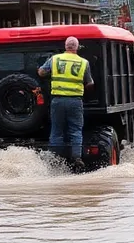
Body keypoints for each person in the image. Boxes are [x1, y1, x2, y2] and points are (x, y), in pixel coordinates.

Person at [38, 36, 95, 168]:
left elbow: (41, 72)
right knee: (75, 130)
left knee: (56, 130)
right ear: (77, 47)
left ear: (65, 46)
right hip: (75, 101)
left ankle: (55, 159)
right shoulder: (84, 62)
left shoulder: (55, 59)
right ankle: (77, 158)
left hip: (57, 100)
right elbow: (90, 82)